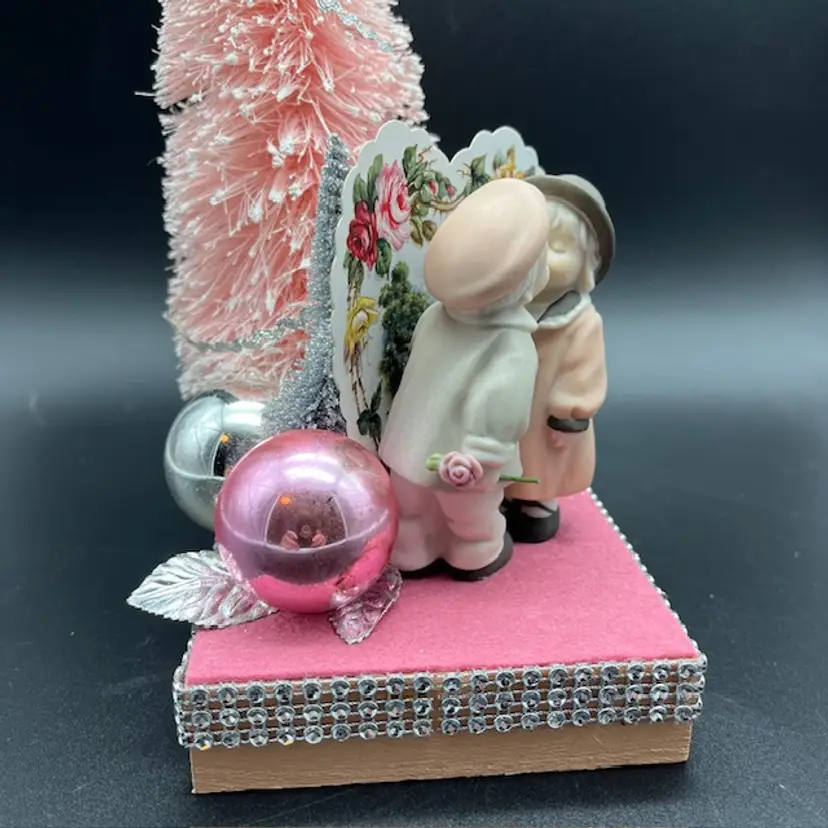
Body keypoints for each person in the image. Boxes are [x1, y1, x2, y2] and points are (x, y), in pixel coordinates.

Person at [379, 178, 549, 580]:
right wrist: (483, 454)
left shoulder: (434, 317)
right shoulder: (512, 344)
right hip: (463, 460)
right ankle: (476, 550)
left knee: (410, 507)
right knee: (471, 517)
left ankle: (412, 549)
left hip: (408, 448)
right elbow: (501, 406)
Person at [503, 174, 615, 543]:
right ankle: (502, 494)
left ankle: (537, 501)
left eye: (559, 247)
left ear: (586, 263)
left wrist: (569, 414)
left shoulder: (581, 322)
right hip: (505, 403)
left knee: (539, 460)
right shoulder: (504, 304)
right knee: (504, 453)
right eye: (537, 243)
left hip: (544, 413)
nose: (544, 258)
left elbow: (585, 372)